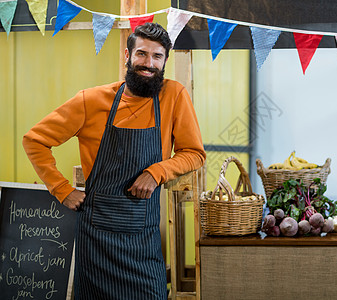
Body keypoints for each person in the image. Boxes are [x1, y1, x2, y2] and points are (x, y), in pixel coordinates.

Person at [23, 22, 205, 299]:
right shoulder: (90, 100)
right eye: (142, 54)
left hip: (142, 238)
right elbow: (34, 140)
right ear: (127, 55)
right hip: (95, 238)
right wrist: (61, 189)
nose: (149, 64)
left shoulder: (174, 95)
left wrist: (157, 171)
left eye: (157, 56)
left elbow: (194, 153)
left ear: (165, 60)